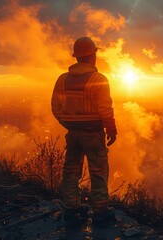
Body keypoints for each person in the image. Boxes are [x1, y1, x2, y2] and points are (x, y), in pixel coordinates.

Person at [51, 37, 117, 225]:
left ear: (77, 57)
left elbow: (55, 107)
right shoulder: (99, 79)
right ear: (93, 55)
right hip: (93, 135)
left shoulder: (63, 79)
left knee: (71, 170)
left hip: (73, 135)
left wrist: (68, 123)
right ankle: (100, 212)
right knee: (98, 172)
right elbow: (105, 108)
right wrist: (111, 128)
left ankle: (71, 210)